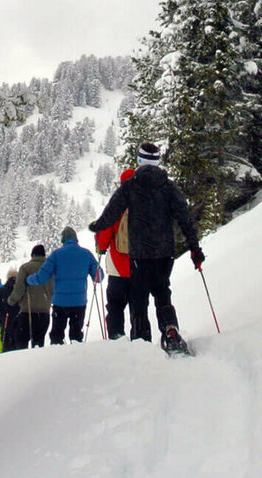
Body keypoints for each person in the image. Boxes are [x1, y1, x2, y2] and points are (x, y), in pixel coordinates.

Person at [88, 142, 205, 356]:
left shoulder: (131, 186)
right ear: (158, 161)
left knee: (139, 297)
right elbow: (184, 219)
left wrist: (97, 226)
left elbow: (113, 211)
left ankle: (141, 343)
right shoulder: (168, 187)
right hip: (164, 252)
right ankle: (170, 331)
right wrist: (194, 249)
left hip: (139, 254)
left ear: (139, 161)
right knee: (162, 292)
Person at [27, 226, 103, 344]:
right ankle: (76, 357)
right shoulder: (86, 254)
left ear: (63, 240)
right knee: (76, 336)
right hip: (79, 302)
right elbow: (99, 277)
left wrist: (28, 280)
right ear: (76, 239)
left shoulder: (56, 255)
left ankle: (59, 358)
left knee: (57, 336)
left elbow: (41, 277)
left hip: (60, 303)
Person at [94, 169, 135, 340]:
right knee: (137, 305)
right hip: (140, 266)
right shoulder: (148, 203)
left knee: (116, 305)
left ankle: (116, 337)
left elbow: (105, 232)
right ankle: (140, 337)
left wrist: (100, 248)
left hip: (118, 266)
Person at [7, 244, 53, 349]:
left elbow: (19, 289)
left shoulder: (25, 268)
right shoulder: (50, 268)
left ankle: (23, 364)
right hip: (44, 312)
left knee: (22, 341)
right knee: (38, 342)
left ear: (32, 255)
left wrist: (11, 301)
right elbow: (53, 289)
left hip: (27, 312)